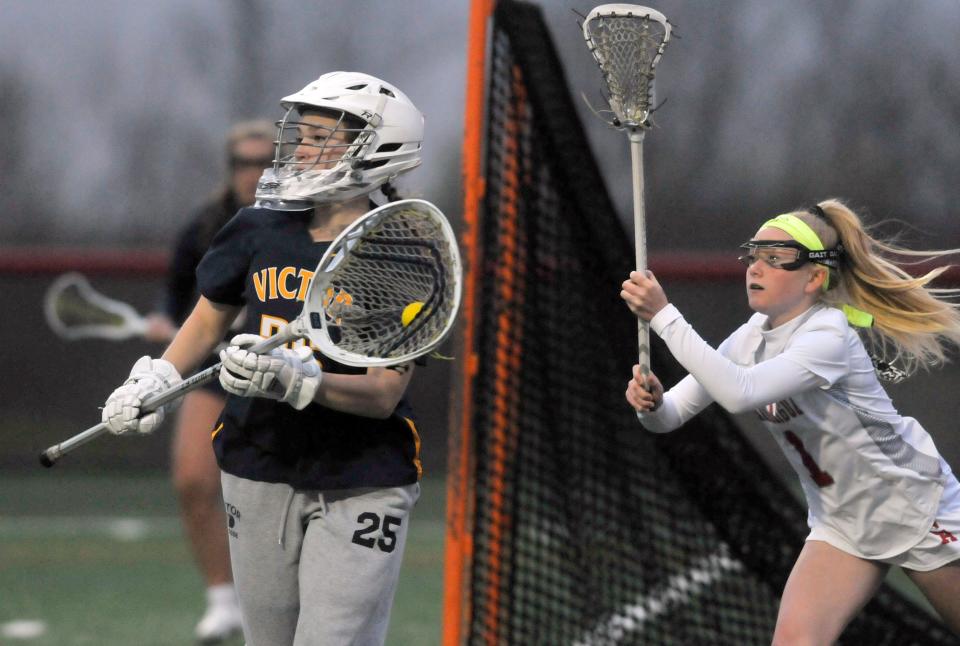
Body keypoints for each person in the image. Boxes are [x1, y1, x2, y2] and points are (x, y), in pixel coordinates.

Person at [101, 71, 425, 646]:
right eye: (301, 132)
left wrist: (300, 381)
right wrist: (156, 379)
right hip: (257, 464)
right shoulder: (258, 226)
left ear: (375, 148)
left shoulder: (400, 251)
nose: (299, 146)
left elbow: (382, 395)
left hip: (360, 479)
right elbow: (206, 320)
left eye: (319, 136)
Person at [621, 199, 960, 644]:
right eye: (753, 256)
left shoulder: (828, 336)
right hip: (841, 524)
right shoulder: (751, 337)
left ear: (815, 278)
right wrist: (650, 405)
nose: (755, 268)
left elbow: (738, 393)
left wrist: (663, 315)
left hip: (915, 508)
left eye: (775, 259)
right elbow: (670, 418)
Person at [141, 120, 275, 643]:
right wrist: (162, 319)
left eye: (266, 161)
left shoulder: (297, 220)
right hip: (213, 373)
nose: (255, 173)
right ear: (230, 169)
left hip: (280, 376)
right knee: (194, 480)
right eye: (245, 163)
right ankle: (223, 602)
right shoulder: (207, 225)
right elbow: (176, 298)